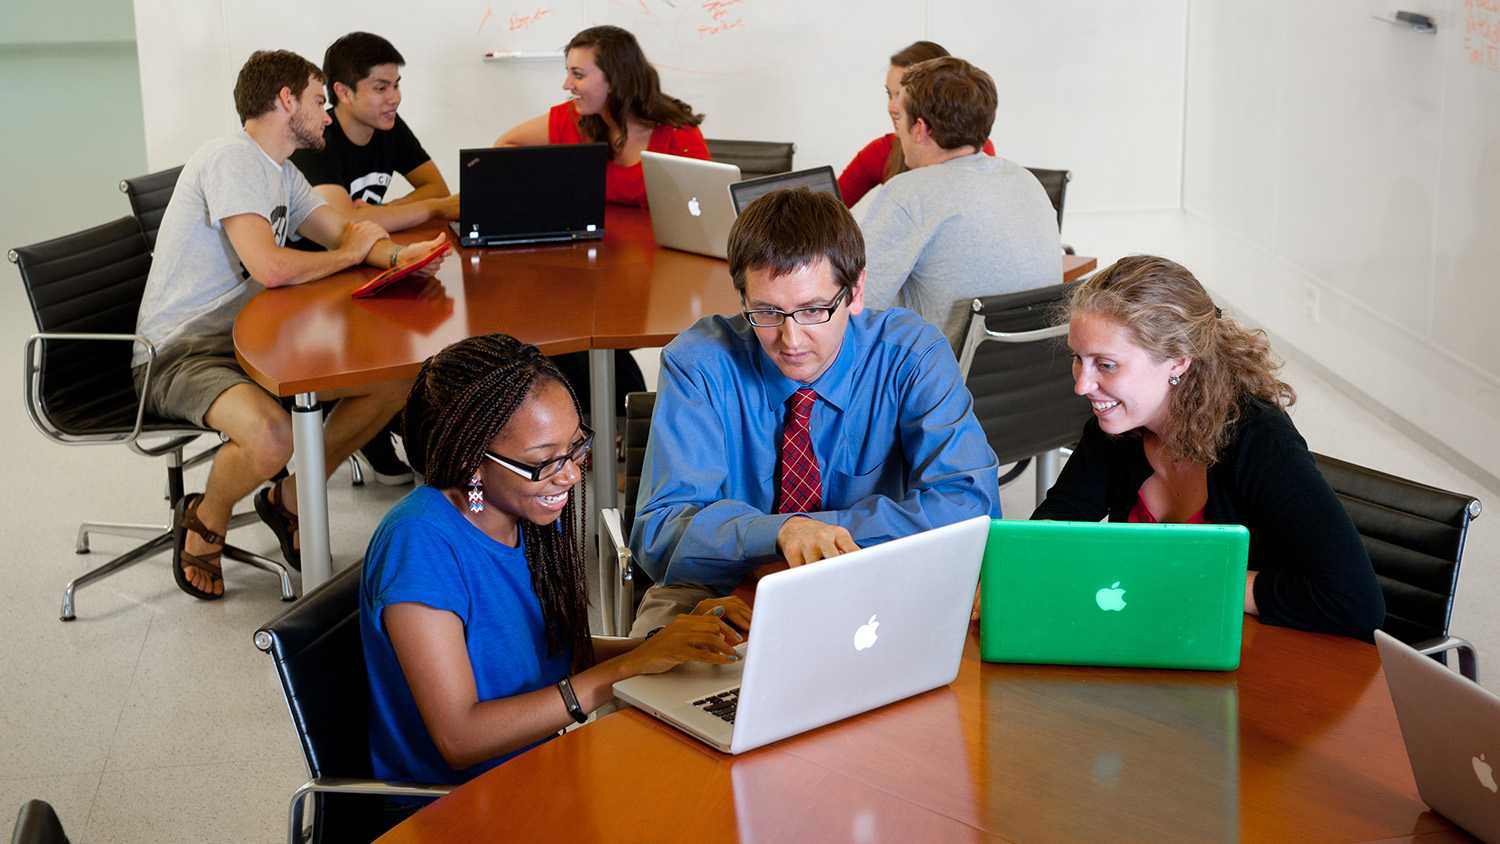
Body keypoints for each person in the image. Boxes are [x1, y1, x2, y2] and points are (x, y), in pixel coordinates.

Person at [360, 334, 749, 792]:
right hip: (454, 807)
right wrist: (623, 670)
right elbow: (460, 737)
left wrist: (664, 644)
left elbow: (548, 655)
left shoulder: (523, 515)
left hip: (541, 774)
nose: (570, 474)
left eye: (576, 446)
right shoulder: (420, 541)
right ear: (472, 459)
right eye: (544, 461)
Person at [133, 50, 448, 600]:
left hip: (249, 340)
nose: (327, 115)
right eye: (318, 101)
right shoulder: (232, 158)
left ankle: (291, 500)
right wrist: (354, 256)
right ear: (286, 102)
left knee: (399, 376)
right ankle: (205, 516)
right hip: (177, 352)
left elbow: (343, 233)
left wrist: (400, 257)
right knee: (273, 436)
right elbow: (272, 267)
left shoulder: (282, 171)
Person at [628, 188, 1003, 635]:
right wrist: (781, 532)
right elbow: (659, 533)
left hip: (878, 579)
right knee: (661, 692)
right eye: (767, 311)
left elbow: (970, 505)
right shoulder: (698, 363)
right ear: (741, 296)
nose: (791, 339)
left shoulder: (911, 355)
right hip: (719, 590)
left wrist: (813, 534)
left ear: (856, 291)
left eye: (813, 310)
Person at [1032, 255, 1386, 640]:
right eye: (1077, 359)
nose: (1082, 385)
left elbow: (1356, 602)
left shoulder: (1260, 442)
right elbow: (1060, 518)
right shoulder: (1117, 430)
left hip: (1260, 656)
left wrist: (1185, 578)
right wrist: (1034, 555)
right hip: (1162, 640)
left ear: (1177, 361)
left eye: (1106, 365)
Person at [290, 31, 461, 486]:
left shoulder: (388, 125)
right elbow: (345, 227)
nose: (394, 98)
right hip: (312, 285)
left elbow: (436, 190)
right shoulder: (317, 142)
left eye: (397, 84)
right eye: (381, 88)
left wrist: (379, 215)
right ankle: (366, 427)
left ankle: (383, 423)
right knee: (409, 337)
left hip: (365, 265)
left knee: (430, 321)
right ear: (342, 93)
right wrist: (425, 211)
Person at [859, 56, 1062, 351]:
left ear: (920, 128)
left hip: (940, 387)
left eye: (900, 119)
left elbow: (853, 306)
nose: (897, 130)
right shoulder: (1027, 181)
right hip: (1035, 382)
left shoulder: (908, 193)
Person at [493, 25, 709, 208]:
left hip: (656, 254)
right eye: (568, 72)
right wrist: (553, 180)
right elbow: (503, 147)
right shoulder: (570, 118)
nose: (567, 85)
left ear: (615, 81)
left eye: (578, 75)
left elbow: (708, 211)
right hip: (592, 251)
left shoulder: (678, 134)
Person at [836, 41, 998, 208]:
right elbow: (828, 209)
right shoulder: (882, 151)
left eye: (902, 95)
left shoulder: (976, 152)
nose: (893, 107)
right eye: (889, 95)